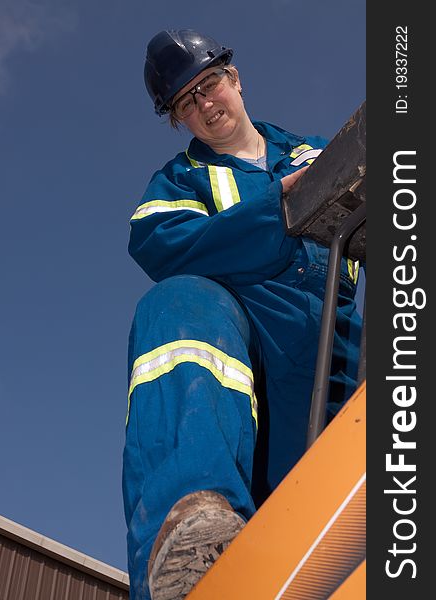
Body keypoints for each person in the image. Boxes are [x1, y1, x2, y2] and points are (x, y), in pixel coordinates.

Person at [123, 29, 361, 600]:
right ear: (180, 120)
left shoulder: (318, 152)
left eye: (209, 85)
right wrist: (279, 208)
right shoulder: (180, 182)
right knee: (176, 305)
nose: (206, 104)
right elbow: (163, 244)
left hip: (347, 363)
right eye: (187, 102)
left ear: (235, 78)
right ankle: (193, 527)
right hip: (253, 370)